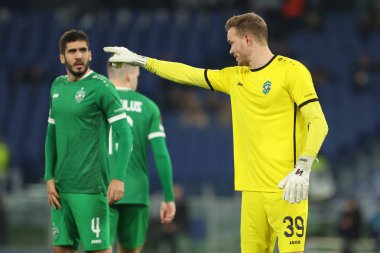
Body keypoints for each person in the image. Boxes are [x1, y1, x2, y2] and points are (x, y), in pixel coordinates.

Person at [104, 12, 328, 253]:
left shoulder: (292, 71)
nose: (230, 50)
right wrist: (140, 60)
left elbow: (318, 122)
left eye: (232, 43)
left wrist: (302, 169)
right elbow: (188, 73)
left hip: (286, 189)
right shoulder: (234, 78)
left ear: (248, 39)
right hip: (251, 191)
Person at [44, 29, 132, 253]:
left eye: (83, 50)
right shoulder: (57, 86)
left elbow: (125, 134)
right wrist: (49, 177)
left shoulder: (101, 87)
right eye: (72, 51)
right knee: (61, 249)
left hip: (91, 189)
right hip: (61, 189)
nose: (78, 56)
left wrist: (118, 177)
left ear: (90, 54)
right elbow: (51, 135)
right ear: (62, 58)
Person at [107, 63, 176, 253]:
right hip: (136, 194)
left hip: (102, 192)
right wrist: (168, 196)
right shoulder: (149, 107)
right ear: (130, 75)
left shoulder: (96, 103)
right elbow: (161, 154)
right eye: (137, 75)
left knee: (97, 249)